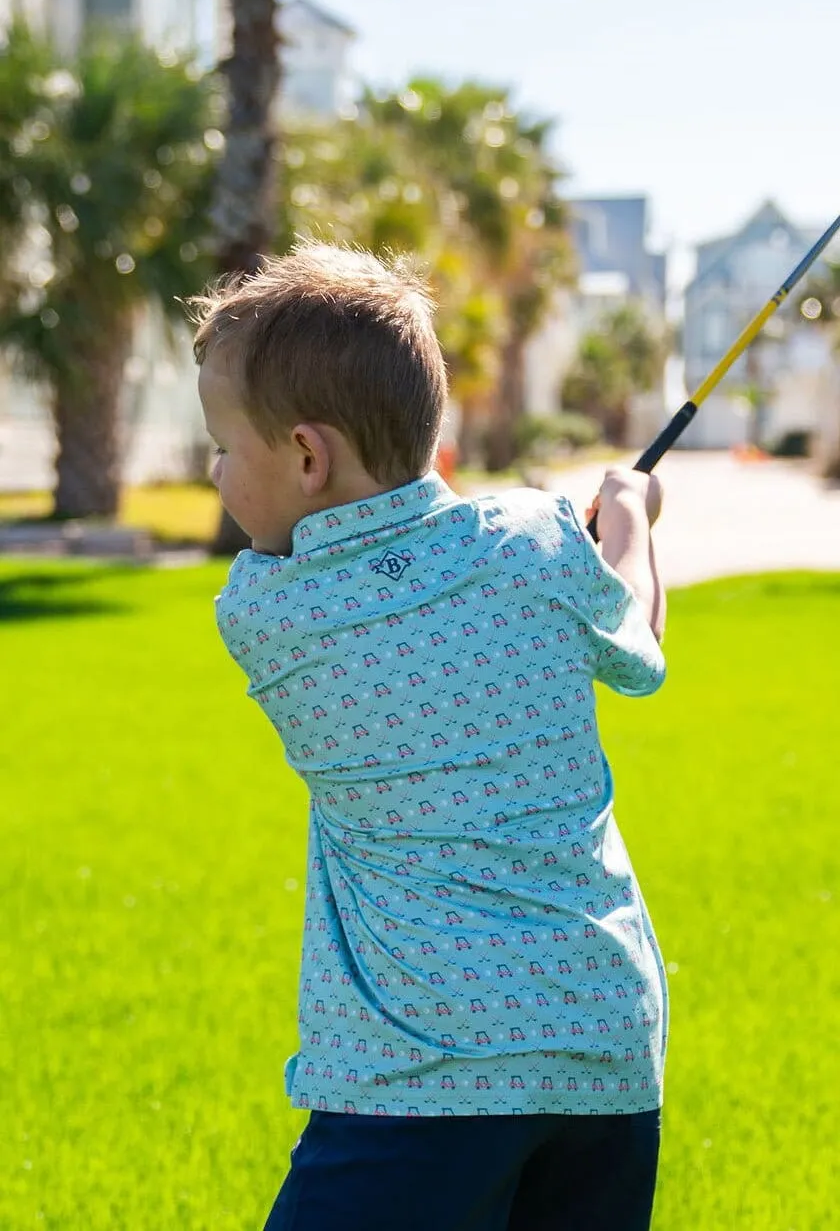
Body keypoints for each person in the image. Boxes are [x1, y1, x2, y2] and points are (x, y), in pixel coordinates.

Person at [191, 243, 669, 1231]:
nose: (216, 471)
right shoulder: (536, 540)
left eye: (225, 447)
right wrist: (625, 514)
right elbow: (637, 646)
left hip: (420, 1074)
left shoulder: (265, 610)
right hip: (604, 1045)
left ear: (308, 455)